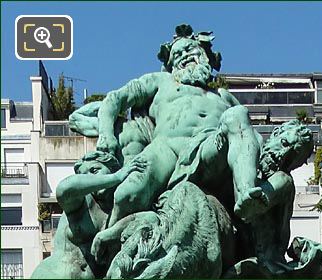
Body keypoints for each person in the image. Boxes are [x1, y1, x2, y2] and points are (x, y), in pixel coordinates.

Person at [95, 24, 265, 229]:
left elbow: (250, 136)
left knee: (237, 114)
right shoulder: (160, 81)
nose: (184, 55)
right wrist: (106, 134)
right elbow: (114, 99)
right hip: (167, 148)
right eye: (177, 54)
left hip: (210, 148)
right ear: (171, 64)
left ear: (204, 55)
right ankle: (109, 244)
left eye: (189, 50)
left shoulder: (223, 96)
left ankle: (246, 195)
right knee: (128, 194)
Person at [31, 152, 147, 279]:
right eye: (84, 176)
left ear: (112, 168)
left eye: (94, 171)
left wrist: (112, 232)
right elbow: (64, 189)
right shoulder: (81, 202)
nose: (90, 178)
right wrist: (116, 177)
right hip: (54, 274)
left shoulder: (122, 203)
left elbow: (147, 219)